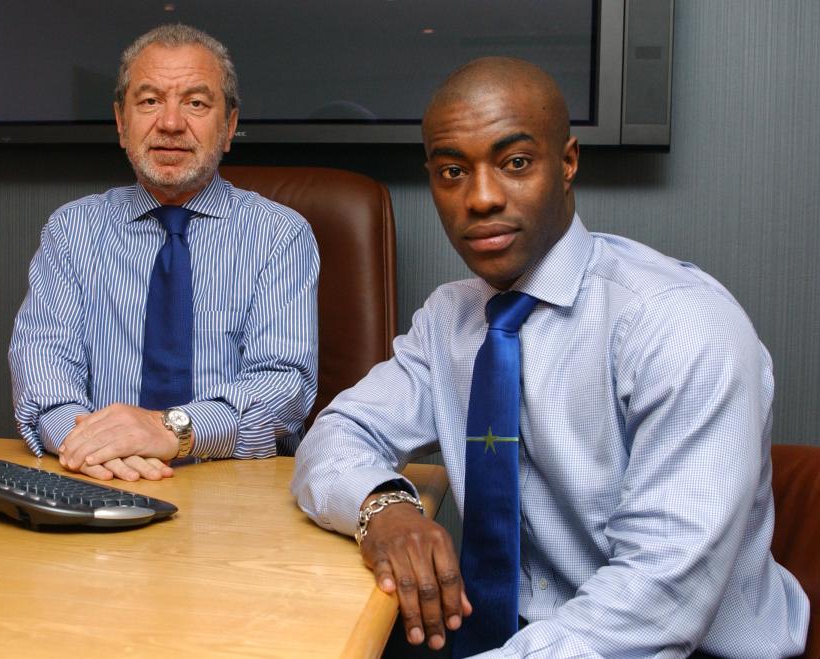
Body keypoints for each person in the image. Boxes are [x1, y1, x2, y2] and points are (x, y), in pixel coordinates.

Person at [291, 57, 808, 657]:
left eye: (514, 163)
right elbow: (337, 432)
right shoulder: (452, 317)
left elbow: (656, 599)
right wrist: (385, 508)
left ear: (567, 162)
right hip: (508, 631)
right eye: (452, 171)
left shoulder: (681, 324)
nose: (479, 199)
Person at [9, 24, 318, 482]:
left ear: (229, 125)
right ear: (120, 122)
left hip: (234, 493)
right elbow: (43, 370)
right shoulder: (72, 230)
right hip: (99, 480)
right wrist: (94, 446)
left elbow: (284, 388)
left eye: (195, 103)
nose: (171, 124)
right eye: (150, 101)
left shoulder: (279, 235)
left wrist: (170, 430)